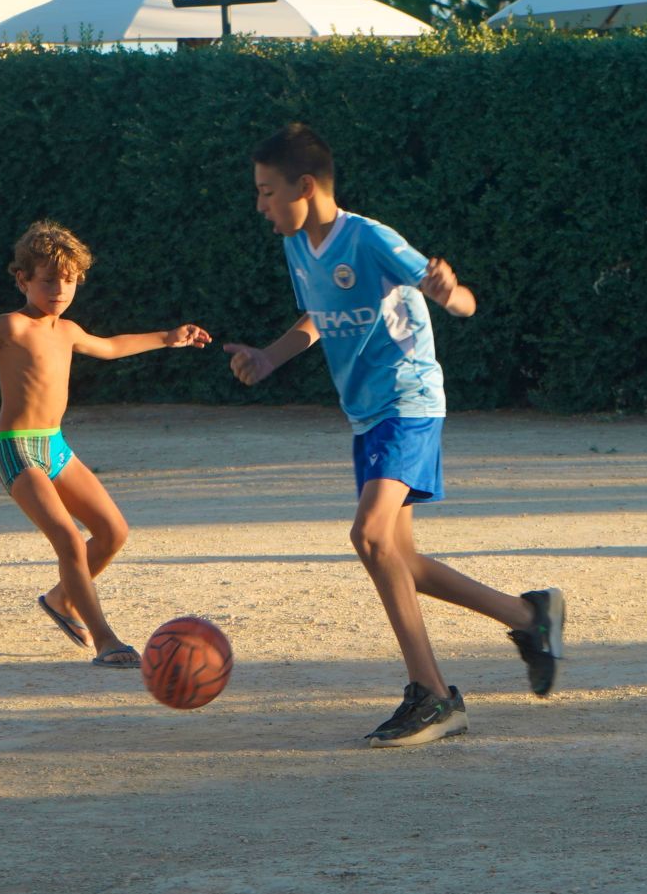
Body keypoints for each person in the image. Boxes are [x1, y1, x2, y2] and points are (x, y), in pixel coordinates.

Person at [223, 122, 563, 748]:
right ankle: (530, 617)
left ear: (305, 186)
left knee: (370, 536)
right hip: (367, 415)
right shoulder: (298, 245)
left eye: (267, 192)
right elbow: (319, 317)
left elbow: (463, 304)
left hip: (408, 401)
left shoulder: (370, 238)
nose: (260, 205)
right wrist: (271, 357)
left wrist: (448, 289)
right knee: (400, 559)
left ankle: (433, 697)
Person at [0, 221, 211, 664]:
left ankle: (60, 599)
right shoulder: (10, 326)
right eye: (48, 279)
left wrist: (168, 338)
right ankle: (106, 640)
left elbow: (110, 347)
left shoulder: (69, 331)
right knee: (70, 541)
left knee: (113, 532)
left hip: (55, 446)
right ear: (23, 279)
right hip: (17, 449)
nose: (59, 289)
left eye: (68, 280)